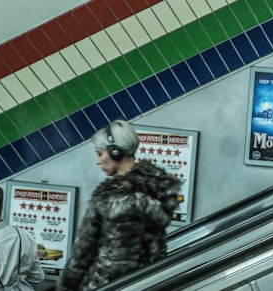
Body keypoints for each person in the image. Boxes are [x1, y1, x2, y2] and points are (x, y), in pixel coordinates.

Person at [57, 120, 181, 291]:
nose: (97, 161)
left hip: (108, 283)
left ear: (116, 152)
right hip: (149, 281)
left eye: (99, 154)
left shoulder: (108, 199)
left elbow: (83, 252)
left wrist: (66, 286)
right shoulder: (156, 189)